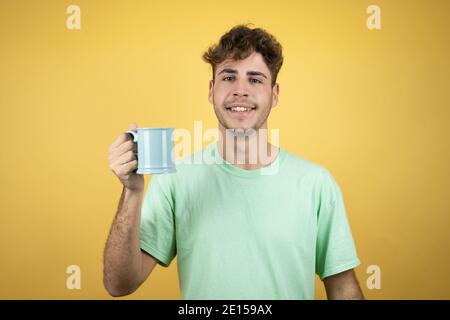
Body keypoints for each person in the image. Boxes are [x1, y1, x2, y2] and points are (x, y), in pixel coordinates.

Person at [103, 25, 364, 300]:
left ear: (274, 94)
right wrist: (132, 191)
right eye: (229, 77)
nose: (241, 91)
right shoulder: (174, 179)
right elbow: (119, 284)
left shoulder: (316, 184)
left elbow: (343, 289)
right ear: (211, 90)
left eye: (255, 79)